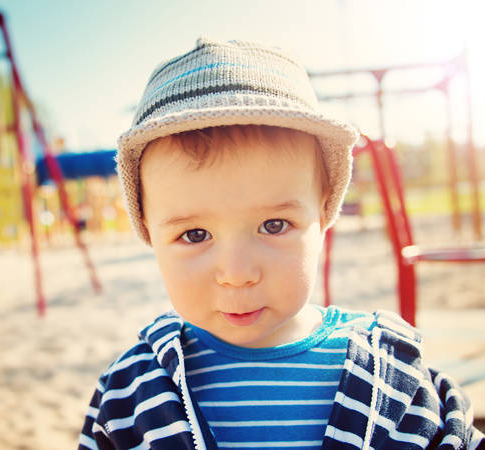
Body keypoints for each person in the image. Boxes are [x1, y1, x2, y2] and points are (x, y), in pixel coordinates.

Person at [78, 38, 483, 449]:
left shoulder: (391, 377)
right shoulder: (130, 393)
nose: (237, 274)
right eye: (194, 235)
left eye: (274, 225)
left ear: (324, 214)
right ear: (148, 231)